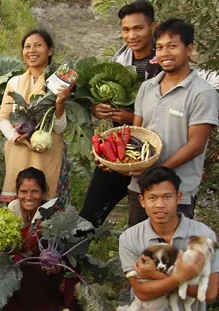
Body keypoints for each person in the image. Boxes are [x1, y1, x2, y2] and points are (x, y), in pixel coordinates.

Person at [124, 19, 219, 226]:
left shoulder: (202, 92)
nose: (165, 53)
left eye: (172, 46)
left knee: (173, 254)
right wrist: (116, 160)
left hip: (177, 192)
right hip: (141, 188)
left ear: (189, 49)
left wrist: (156, 171)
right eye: (159, 47)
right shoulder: (147, 88)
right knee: (140, 251)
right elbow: (136, 134)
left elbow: (195, 146)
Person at [80, 0, 162, 227]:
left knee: (144, 221)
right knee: (89, 214)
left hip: (150, 153)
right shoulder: (119, 60)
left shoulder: (164, 62)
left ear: (153, 27)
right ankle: (71, 259)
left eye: (138, 28)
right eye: (126, 30)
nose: (131, 35)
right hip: (117, 150)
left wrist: (131, 118)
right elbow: (102, 101)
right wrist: (97, 108)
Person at [119, 166, 219, 310]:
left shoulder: (203, 235)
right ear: (142, 201)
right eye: (152, 198)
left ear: (178, 197)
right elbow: (142, 292)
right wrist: (184, 276)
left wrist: (155, 275)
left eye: (167, 197)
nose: (160, 205)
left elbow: (209, 293)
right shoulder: (129, 238)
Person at [0, 29, 73, 204]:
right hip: (18, 149)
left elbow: (60, 128)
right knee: (17, 206)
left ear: (50, 50)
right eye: (27, 46)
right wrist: (16, 137)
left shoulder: (61, 80)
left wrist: (60, 103)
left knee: (46, 208)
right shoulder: (14, 82)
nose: (31, 51)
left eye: (38, 45)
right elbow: (3, 118)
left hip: (48, 151)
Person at [5, 167, 77, 310]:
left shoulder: (53, 213)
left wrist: (56, 259)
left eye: (35, 191)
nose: (29, 197)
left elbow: (65, 249)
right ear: (17, 192)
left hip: (47, 269)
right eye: (23, 191)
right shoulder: (13, 208)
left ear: (43, 193)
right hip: (19, 264)